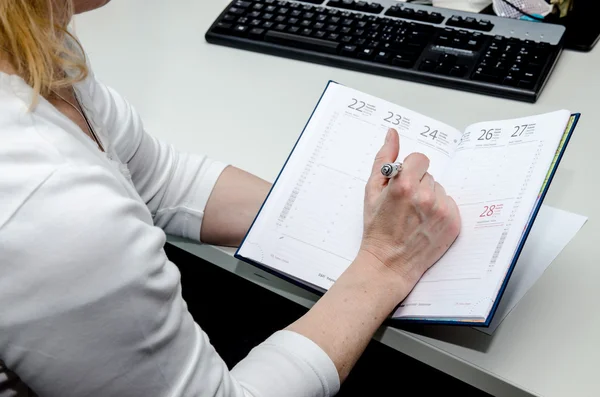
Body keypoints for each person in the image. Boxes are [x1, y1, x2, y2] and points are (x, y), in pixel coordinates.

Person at [0, 1, 461, 396]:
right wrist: (385, 264)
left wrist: (341, 218)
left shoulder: (32, 49)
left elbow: (161, 179)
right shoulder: (52, 204)